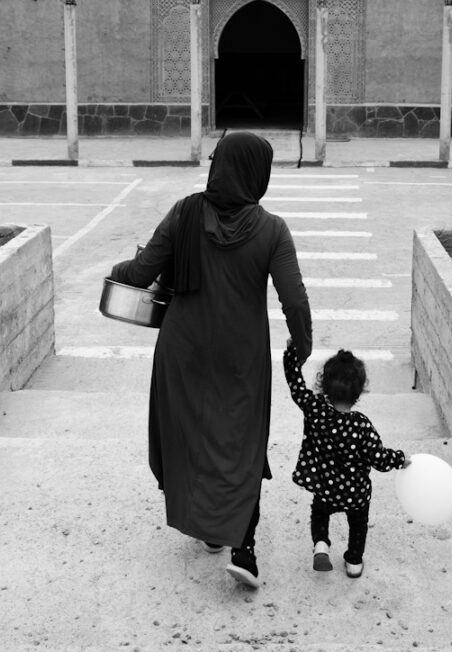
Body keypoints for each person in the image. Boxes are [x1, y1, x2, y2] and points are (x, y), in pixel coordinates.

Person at [110, 131, 312, 589]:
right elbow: (294, 301)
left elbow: (142, 273)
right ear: (257, 173)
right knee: (241, 445)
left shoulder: (185, 211)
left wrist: (115, 271)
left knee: (193, 434)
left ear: (219, 165)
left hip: (183, 350)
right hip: (241, 357)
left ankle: (208, 525)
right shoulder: (272, 229)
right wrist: (302, 347)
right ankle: (244, 549)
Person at [283, 340, 407, 578]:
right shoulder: (361, 425)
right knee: (358, 524)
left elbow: (296, 387)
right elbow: (379, 459)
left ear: (323, 385)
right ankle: (353, 561)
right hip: (356, 492)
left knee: (319, 513)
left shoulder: (315, 409)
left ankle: (321, 544)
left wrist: (291, 356)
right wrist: (400, 459)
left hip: (325, 487)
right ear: (359, 392)